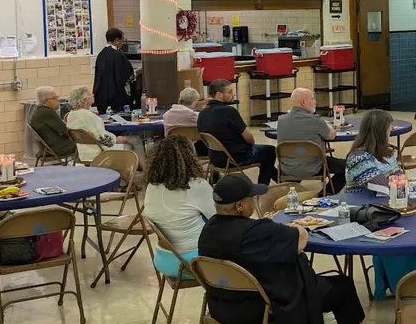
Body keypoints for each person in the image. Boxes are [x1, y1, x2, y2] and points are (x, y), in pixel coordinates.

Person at [197, 174, 388, 324]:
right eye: (251, 199)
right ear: (240, 206)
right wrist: (294, 227)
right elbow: (300, 238)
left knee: (274, 276)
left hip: (223, 307)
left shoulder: (208, 230)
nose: (253, 202)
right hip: (259, 309)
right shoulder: (255, 231)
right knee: (342, 287)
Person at [344, 109, 416, 296]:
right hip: (371, 213)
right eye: (388, 128)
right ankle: (402, 279)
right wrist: (405, 187)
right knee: (412, 230)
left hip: (393, 206)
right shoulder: (359, 157)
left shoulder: (388, 153)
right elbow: (385, 185)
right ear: (380, 131)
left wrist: (414, 186)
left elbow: (399, 180)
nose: (390, 131)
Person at [143, 135, 214, 278]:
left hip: (163, 260)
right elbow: (219, 219)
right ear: (190, 158)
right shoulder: (197, 186)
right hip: (194, 264)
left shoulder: (152, 186)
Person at [196, 78, 276, 185]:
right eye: (229, 92)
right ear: (219, 95)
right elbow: (250, 138)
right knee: (269, 151)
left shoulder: (202, 113)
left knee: (264, 152)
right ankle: (263, 186)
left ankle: (282, 179)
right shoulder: (229, 111)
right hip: (236, 158)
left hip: (215, 158)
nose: (233, 95)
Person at [276, 88, 347, 193]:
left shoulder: (281, 120)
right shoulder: (315, 120)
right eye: (312, 99)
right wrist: (330, 126)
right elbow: (331, 135)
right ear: (303, 103)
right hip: (314, 166)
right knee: (348, 166)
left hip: (287, 168)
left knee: (299, 155)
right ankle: (326, 194)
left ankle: (291, 190)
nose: (315, 102)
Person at [64, 84, 130, 162]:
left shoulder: (70, 115)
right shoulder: (89, 116)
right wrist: (116, 139)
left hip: (83, 152)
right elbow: (103, 138)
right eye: (89, 94)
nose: (93, 94)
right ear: (84, 100)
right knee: (136, 141)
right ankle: (141, 170)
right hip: (98, 152)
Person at [29, 86, 77, 162]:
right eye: (54, 98)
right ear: (45, 101)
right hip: (57, 148)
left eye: (57, 97)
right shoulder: (47, 113)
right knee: (84, 143)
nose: (58, 100)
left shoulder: (39, 111)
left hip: (47, 148)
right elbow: (65, 131)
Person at [93, 27, 135, 112]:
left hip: (102, 96)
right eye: (122, 40)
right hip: (116, 96)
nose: (122, 43)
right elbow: (128, 75)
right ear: (116, 40)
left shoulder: (101, 55)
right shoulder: (118, 55)